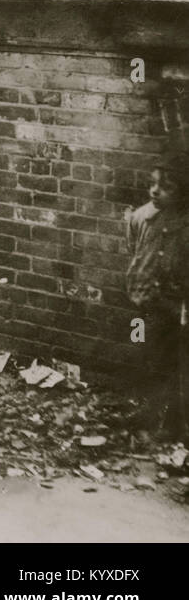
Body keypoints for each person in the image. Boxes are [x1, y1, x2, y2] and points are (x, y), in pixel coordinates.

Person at [125, 151, 189, 441]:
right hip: (144, 305)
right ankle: (146, 411)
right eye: (154, 183)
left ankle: (173, 424)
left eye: (167, 187)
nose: (156, 191)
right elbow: (135, 252)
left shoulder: (185, 227)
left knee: (174, 365)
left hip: (175, 309)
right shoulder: (141, 217)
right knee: (145, 356)